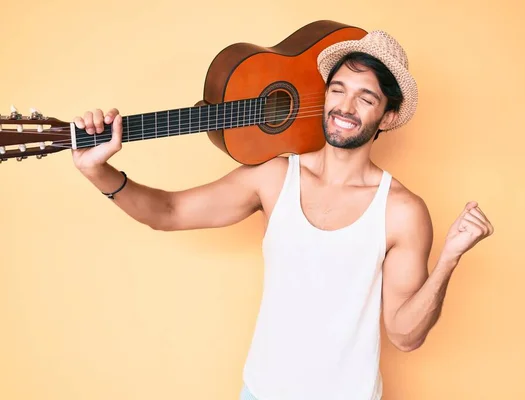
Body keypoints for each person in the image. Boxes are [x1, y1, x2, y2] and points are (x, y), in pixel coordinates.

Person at [72, 30, 494, 400]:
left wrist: (449, 259)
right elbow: (168, 211)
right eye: (338, 89)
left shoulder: (401, 211)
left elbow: (405, 336)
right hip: (260, 392)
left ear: (388, 115)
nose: (344, 107)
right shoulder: (274, 177)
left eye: (365, 98)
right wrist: (97, 169)